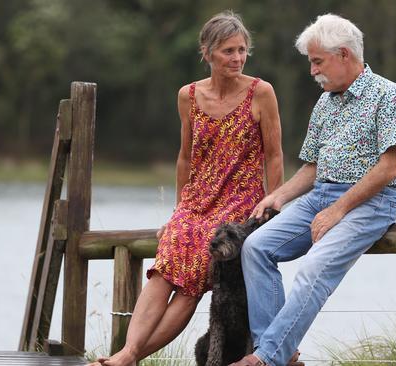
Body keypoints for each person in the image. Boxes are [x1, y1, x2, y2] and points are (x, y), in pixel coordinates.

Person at [91, 11, 284, 366]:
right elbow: (184, 158)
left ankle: (128, 355)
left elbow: (273, 156)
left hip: (240, 201)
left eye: (242, 50)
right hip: (197, 200)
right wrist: (180, 210)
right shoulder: (189, 96)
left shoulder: (261, 93)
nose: (237, 58)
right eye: (228, 51)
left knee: (190, 279)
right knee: (164, 266)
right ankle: (128, 354)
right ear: (207, 52)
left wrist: (273, 205)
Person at [231, 14, 396, 366]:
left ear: (344, 54)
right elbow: (312, 167)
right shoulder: (326, 102)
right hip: (320, 197)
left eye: (317, 62)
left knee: (314, 267)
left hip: (371, 203)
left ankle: (266, 358)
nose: (312, 71)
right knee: (255, 247)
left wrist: (338, 209)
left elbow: (390, 166)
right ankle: (283, 353)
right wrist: (279, 195)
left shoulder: (390, 96)